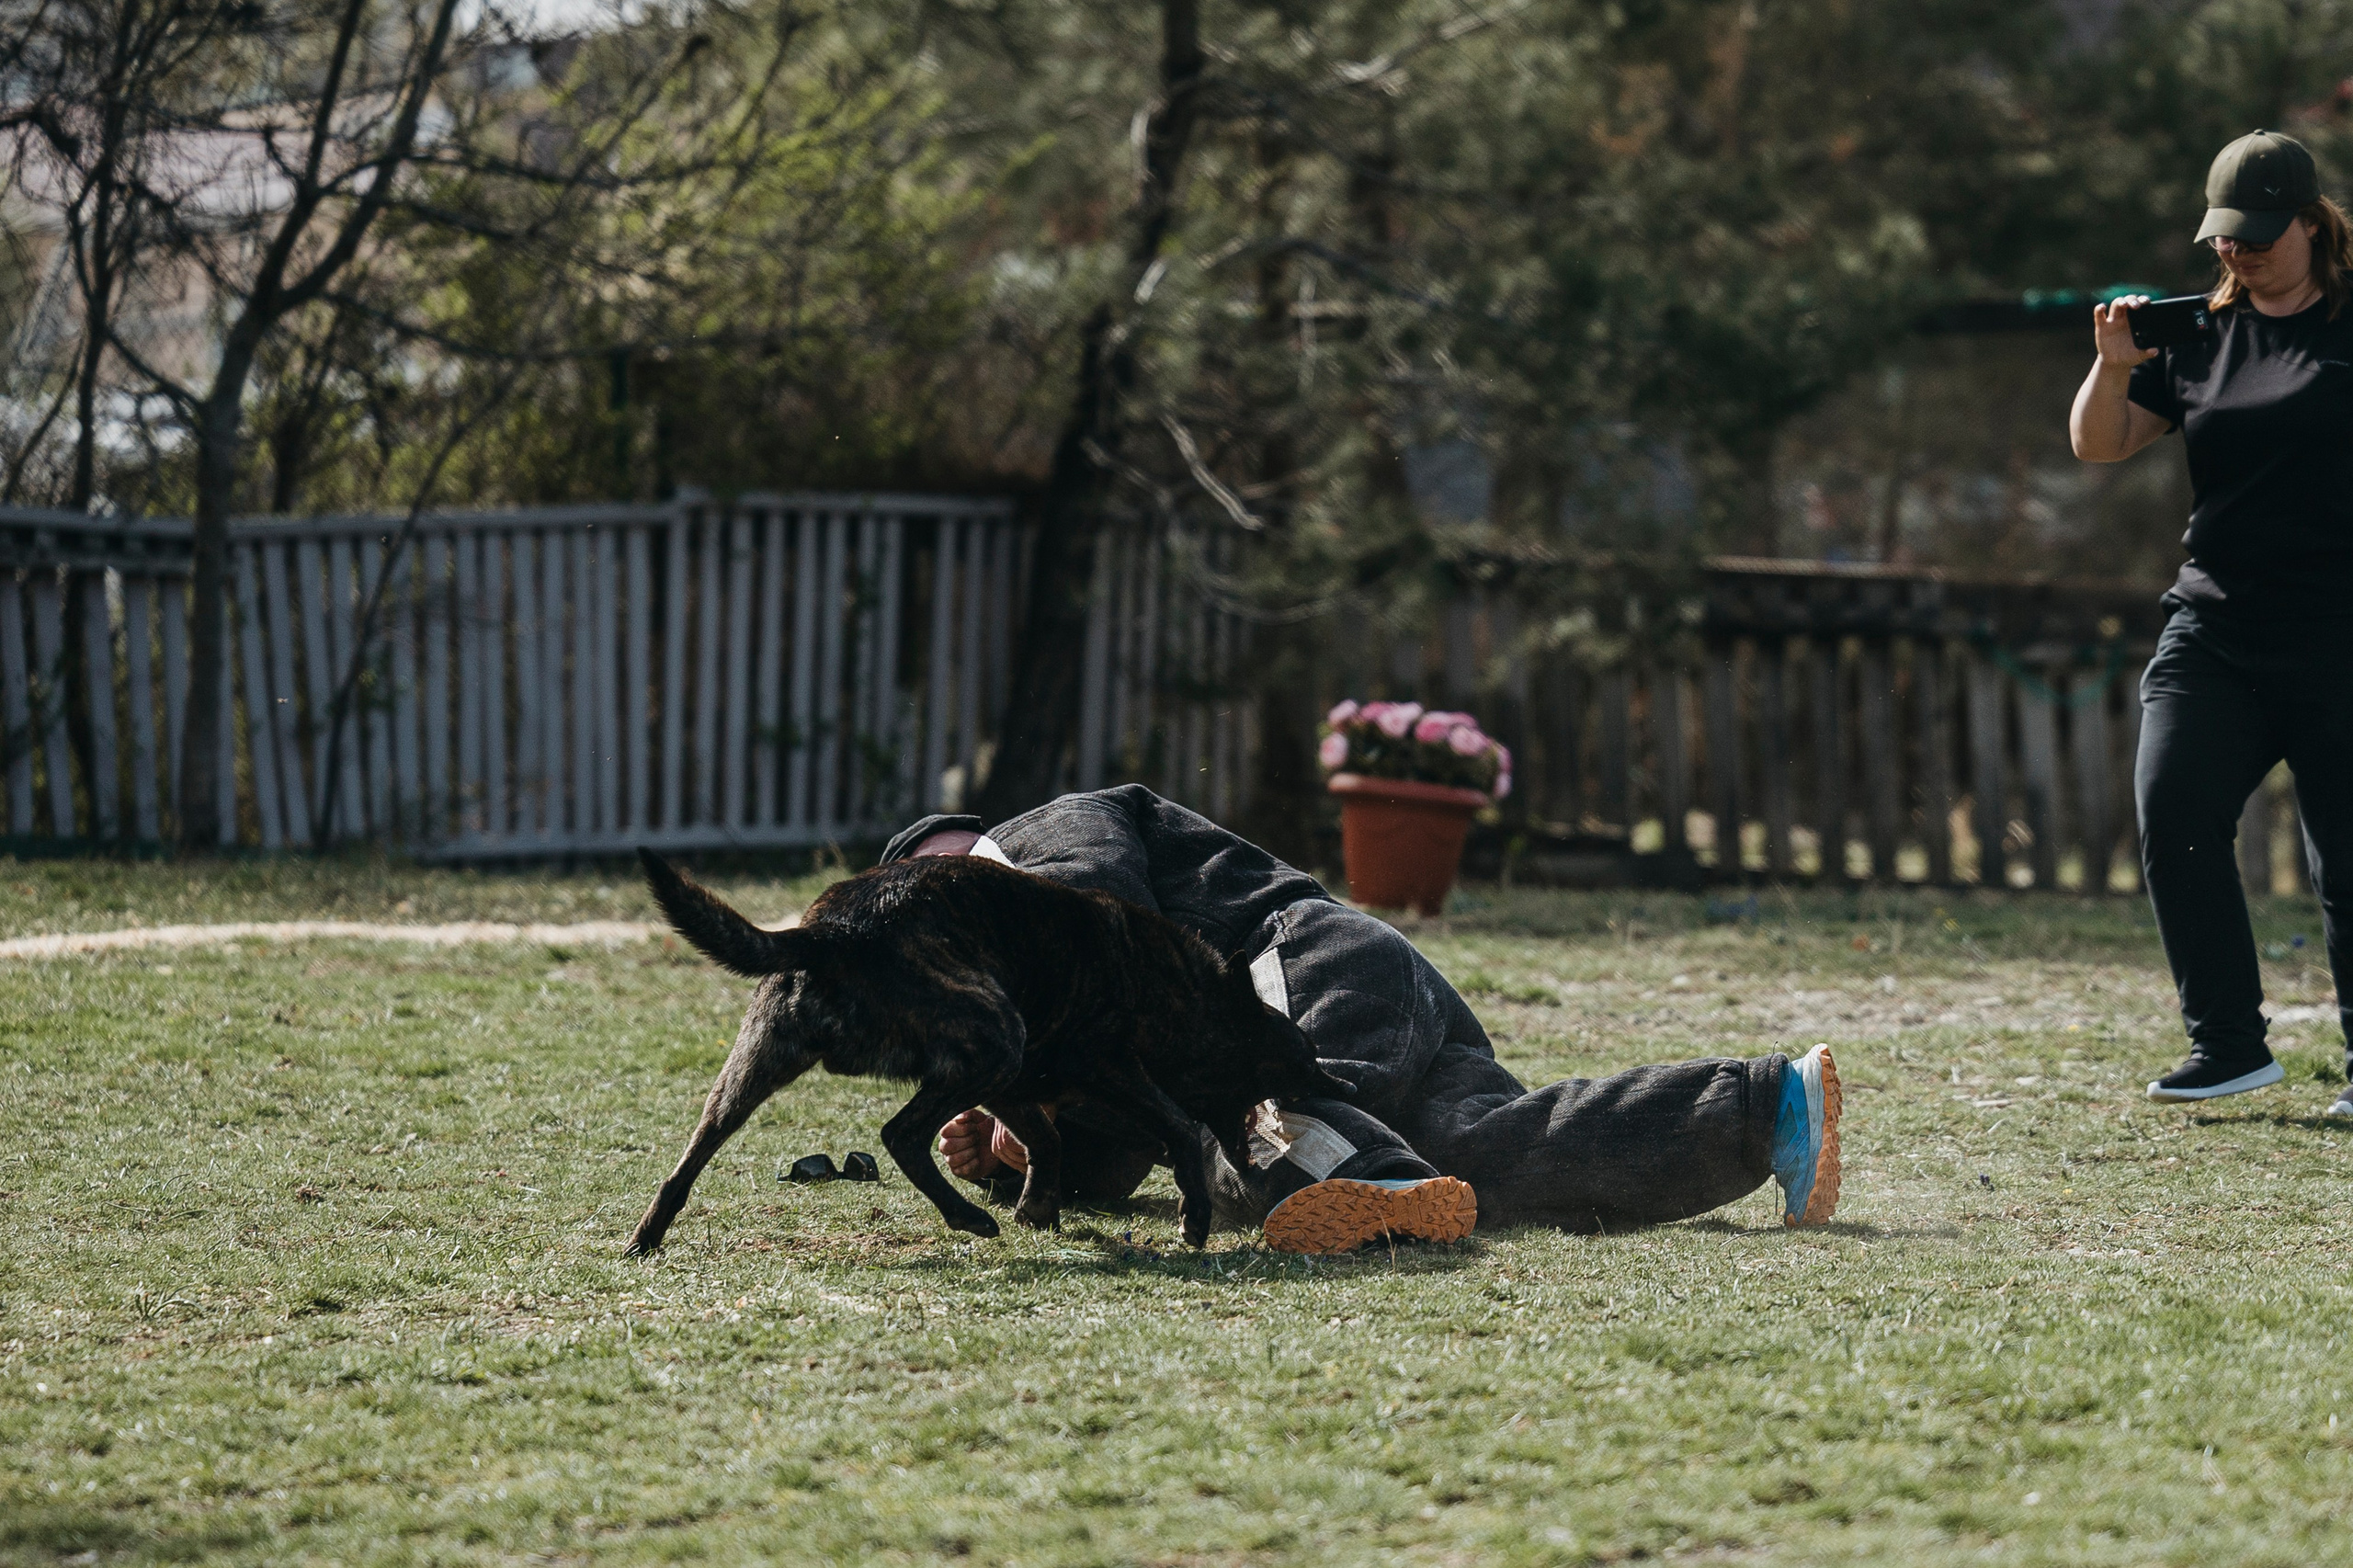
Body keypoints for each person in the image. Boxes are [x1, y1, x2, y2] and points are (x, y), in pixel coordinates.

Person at [881, 784, 1843, 1255]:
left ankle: (1377, 1180)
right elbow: (1136, 1151)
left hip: (1302, 963)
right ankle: (1764, 1106)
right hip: (1385, 1000)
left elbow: (1103, 932)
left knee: (1251, 1122)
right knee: (1493, 1156)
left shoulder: (1041, 834)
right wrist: (1021, 1150)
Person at [2068, 129, 2353, 1108]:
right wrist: (2112, 365)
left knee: (2344, 860)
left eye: (2260, 236)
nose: (2240, 252)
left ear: (2310, 224)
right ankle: (2228, 1044)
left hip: (2338, 635)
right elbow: (2100, 444)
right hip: (2215, 629)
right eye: (2225, 237)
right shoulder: (2198, 333)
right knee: (2174, 815)